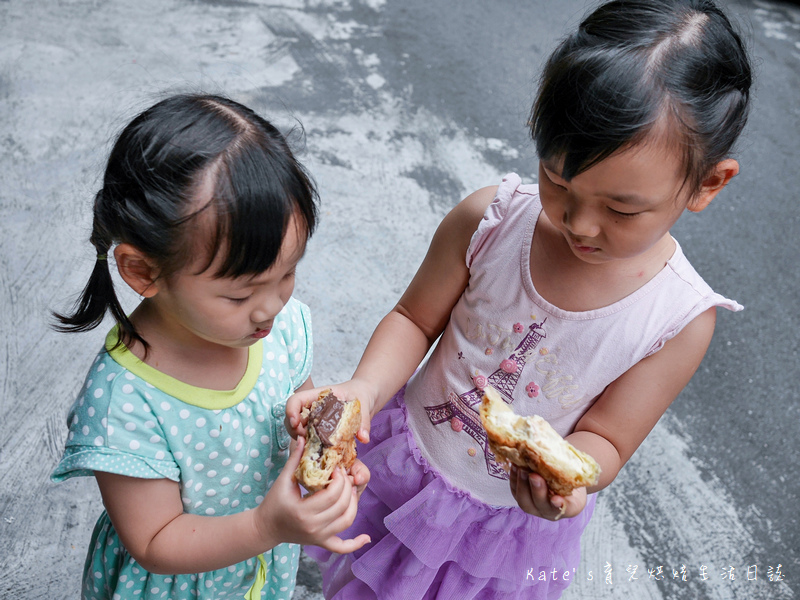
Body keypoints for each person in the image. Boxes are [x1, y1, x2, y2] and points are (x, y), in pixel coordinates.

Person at [286, 1, 753, 598]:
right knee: (360, 579)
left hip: (503, 533)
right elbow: (413, 318)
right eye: (558, 181)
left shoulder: (677, 321)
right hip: (409, 462)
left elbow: (606, 439)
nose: (580, 223)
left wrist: (563, 481)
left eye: (621, 209)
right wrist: (365, 390)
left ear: (708, 183)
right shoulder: (492, 221)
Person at [50, 94, 370, 600]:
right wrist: (267, 527)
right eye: (240, 293)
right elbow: (154, 541)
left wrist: (320, 457)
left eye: (287, 274)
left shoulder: (279, 329)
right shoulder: (124, 400)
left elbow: (300, 426)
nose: (270, 307)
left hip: (258, 573)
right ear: (144, 272)